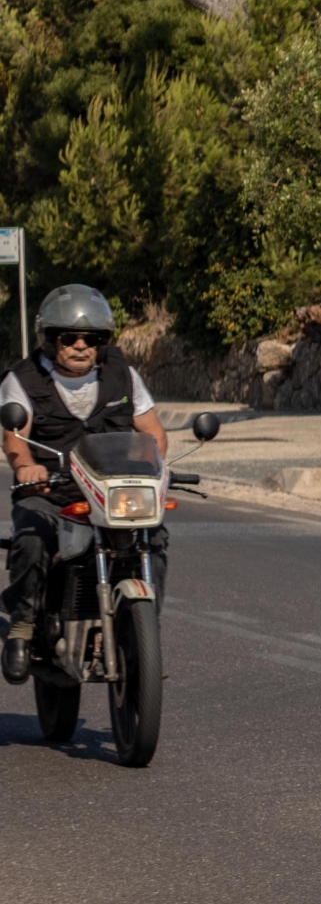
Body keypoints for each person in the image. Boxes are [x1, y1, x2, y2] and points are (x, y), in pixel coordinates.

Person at [0, 286, 167, 684]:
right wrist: (26, 468)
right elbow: (15, 441)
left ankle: (146, 634)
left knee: (155, 537)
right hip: (52, 494)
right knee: (31, 538)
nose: (80, 346)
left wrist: (157, 469)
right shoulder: (23, 379)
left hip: (111, 493)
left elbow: (154, 434)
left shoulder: (122, 374)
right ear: (50, 338)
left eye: (91, 339)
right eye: (69, 338)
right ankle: (23, 625)